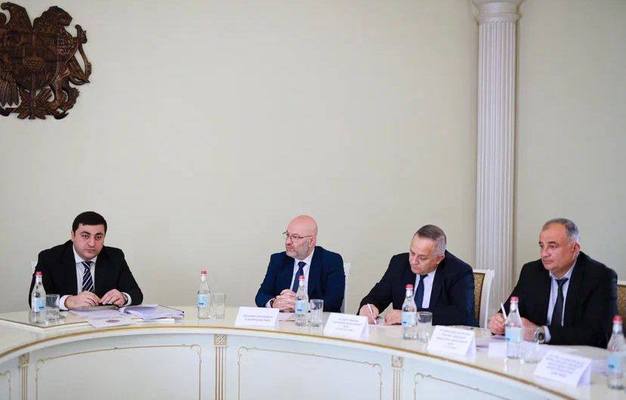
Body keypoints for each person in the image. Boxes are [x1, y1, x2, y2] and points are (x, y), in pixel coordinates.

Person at [488, 218, 617, 348]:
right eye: (542, 246)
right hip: (536, 354)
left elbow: (599, 335)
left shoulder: (600, 277)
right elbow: (508, 313)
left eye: (552, 246)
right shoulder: (531, 272)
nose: (544, 254)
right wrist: (498, 322)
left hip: (579, 356)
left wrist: (541, 333)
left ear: (574, 248)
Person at [359, 225, 475, 326]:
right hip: (403, 337)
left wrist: (411, 316)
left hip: (440, 339)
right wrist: (368, 308)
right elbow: (377, 296)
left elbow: (461, 314)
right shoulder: (399, 263)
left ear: (439, 259)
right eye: (412, 253)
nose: (413, 261)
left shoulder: (459, 271)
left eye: (422, 257)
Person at [28, 211, 143, 310]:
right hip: (65, 324)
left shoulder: (115, 257)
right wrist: (68, 301)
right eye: (85, 236)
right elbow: (34, 301)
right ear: (73, 235)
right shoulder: (50, 258)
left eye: (98, 237)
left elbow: (137, 294)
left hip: (103, 323)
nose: (92, 243)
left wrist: (124, 297)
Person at [255, 215, 345, 312]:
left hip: (313, 320)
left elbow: (334, 302)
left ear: (311, 241)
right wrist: (273, 303)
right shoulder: (278, 260)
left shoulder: (331, 261)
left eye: (295, 237)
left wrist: (302, 305)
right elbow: (261, 295)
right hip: (282, 319)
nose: (288, 242)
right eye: (287, 235)